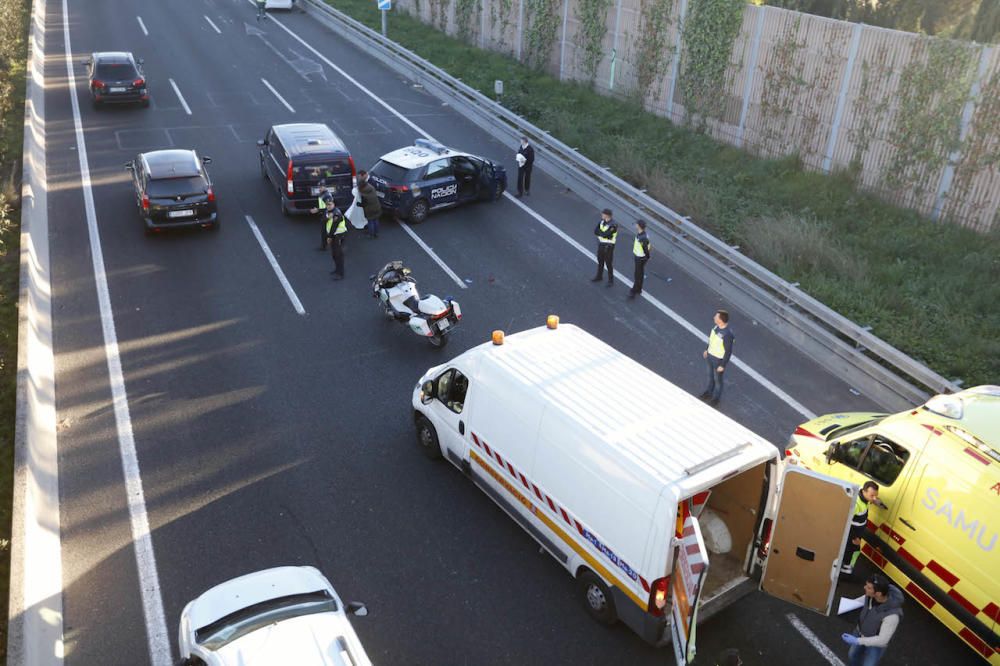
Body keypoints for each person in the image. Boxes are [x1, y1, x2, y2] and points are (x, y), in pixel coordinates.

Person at [841, 573, 904, 666]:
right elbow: (860, 603)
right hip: (859, 634)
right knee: (852, 656)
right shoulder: (870, 596)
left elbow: (882, 640)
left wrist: (857, 641)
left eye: (869, 587)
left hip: (875, 644)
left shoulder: (892, 616)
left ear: (878, 593)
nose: (864, 587)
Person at [841, 481, 884, 575]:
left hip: (857, 533)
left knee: (855, 551)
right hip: (852, 534)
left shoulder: (865, 497)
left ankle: (847, 568)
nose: (874, 498)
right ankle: (844, 572)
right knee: (851, 552)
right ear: (864, 491)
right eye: (872, 495)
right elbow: (845, 523)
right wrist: (854, 538)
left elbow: (872, 499)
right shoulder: (856, 505)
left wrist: (877, 501)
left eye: (876, 495)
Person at [700, 310, 734, 406]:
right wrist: (707, 349)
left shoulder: (727, 335)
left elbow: (728, 351)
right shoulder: (716, 327)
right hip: (710, 356)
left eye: (716, 316)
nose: (714, 317)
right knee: (710, 376)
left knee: (718, 380)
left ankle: (716, 398)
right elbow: (712, 340)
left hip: (718, 360)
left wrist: (722, 365)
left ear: (721, 320)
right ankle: (709, 392)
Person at [591, 209, 617, 286]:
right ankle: (599, 276)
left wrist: (602, 233)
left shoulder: (613, 225)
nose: (601, 215)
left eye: (603, 214)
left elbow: (605, 234)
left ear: (607, 215)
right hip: (601, 244)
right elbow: (595, 231)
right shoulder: (602, 222)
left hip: (609, 246)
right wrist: (602, 234)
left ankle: (610, 280)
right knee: (600, 261)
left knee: (608, 263)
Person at [628, 220, 650, 300]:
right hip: (640, 256)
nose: (635, 225)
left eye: (636, 224)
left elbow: (645, 248)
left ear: (639, 226)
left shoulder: (642, 237)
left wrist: (647, 257)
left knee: (637, 274)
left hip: (640, 257)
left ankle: (633, 291)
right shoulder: (643, 234)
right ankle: (639, 289)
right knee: (640, 273)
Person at [356, 170, 382, 238]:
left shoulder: (363, 193)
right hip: (377, 206)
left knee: (371, 221)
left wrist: (359, 204)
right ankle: (376, 233)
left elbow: (364, 203)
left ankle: (371, 234)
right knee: (376, 220)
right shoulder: (370, 187)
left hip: (370, 209)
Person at [324, 206, 348, 280]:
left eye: (330, 204)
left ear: (333, 204)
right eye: (327, 205)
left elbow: (334, 226)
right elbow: (323, 220)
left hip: (338, 236)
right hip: (333, 236)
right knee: (334, 254)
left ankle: (340, 273)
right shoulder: (328, 212)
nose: (328, 206)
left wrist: (329, 237)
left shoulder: (337, 214)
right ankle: (337, 270)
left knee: (339, 255)